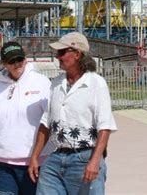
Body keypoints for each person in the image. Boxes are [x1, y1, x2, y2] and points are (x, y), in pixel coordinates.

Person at [28, 32, 117, 194]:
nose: (57, 57)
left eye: (62, 52)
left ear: (77, 54)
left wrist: (95, 161)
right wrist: (35, 156)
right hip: (56, 158)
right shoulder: (56, 84)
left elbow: (105, 126)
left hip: (85, 158)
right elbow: (46, 123)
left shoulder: (96, 84)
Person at [0, 41, 53, 195]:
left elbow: (51, 118)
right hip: (3, 163)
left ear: (25, 59)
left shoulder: (41, 82)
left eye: (20, 59)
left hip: (34, 163)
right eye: (11, 61)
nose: (17, 64)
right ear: (4, 64)